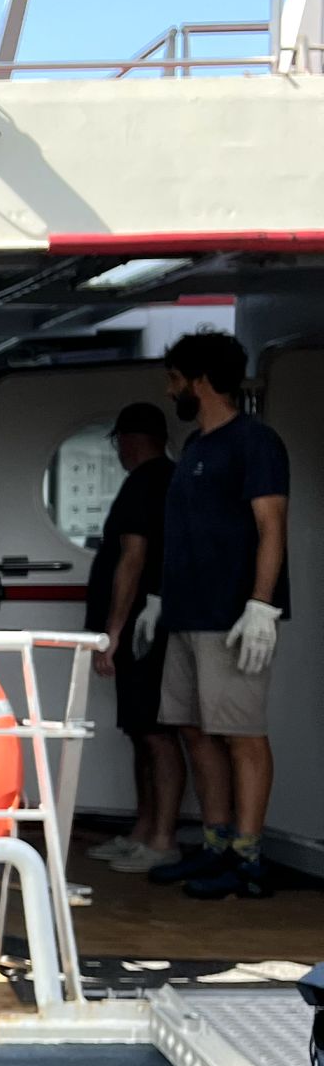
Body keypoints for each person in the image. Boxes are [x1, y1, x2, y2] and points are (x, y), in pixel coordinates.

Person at [145, 329, 290, 901]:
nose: (170, 389)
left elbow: (270, 527)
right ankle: (216, 844)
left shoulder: (254, 442)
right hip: (186, 613)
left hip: (231, 617)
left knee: (241, 734)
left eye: (176, 379)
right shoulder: (196, 448)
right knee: (193, 728)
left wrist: (261, 605)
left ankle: (248, 859)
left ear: (199, 381)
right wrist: (161, 598)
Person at [83, 403, 186, 872]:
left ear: (128, 439)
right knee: (140, 731)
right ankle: (144, 829)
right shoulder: (167, 479)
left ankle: (162, 838)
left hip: (145, 629)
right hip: (152, 624)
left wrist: (114, 631)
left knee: (156, 732)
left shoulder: (146, 483)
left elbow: (133, 559)